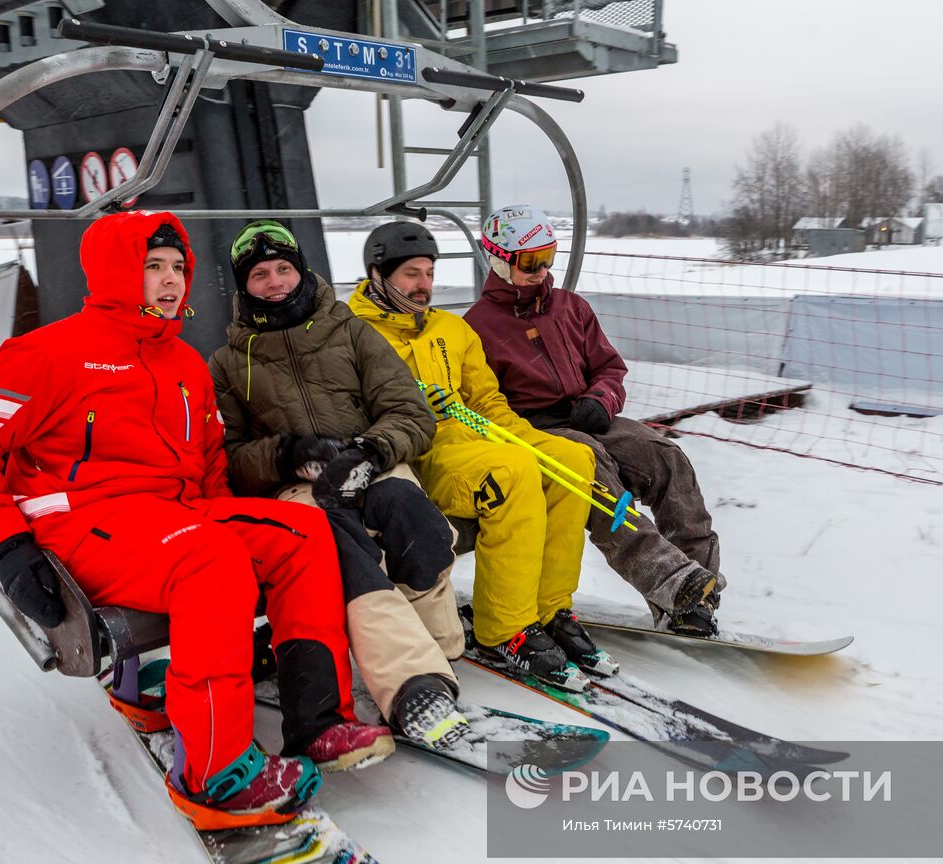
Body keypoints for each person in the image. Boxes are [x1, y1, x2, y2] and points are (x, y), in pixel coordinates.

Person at [0, 211, 392, 832]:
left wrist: (233, 519)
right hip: (81, 523)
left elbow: (206, 466)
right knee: (212, 559)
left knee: (300, 530)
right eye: (153, 266)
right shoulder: (45, 353)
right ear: (118, 272)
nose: (171, 280)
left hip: (171, 516)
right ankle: (215, 771)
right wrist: (8, 545)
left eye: (178, 267)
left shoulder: (183, 364)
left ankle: (318, 721)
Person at [208, 219, 471, 750]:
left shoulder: (351, 331)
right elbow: (229, 460)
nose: (276, 281)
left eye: (284, 268)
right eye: (260, 274)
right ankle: (411, 682)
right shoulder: (230, 363)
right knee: (340, 543)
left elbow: (409, 412)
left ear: (302, 270)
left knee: (410, 513)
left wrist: (370, 449)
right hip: (298, 485)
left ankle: (435, 646)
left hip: (370, 461)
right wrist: (288, 454)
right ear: (244, 286)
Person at [348, 219, 614, 689]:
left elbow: (488, 401)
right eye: (412, 274)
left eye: (429, 272)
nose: (424, 284)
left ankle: (549, 608)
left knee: (572, 459)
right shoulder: (353, 335)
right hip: (419, 456)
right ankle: (504, 629)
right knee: (512, 473)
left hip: (475, 438)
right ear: (379, 274)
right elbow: (348, 411)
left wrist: (521, 436)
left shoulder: (450, 329)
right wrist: (407, 408)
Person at [464, 204, 725, 636]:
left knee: (666, 458)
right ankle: (673, 585)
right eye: (530, 262)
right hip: (538, 429)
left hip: (590, 413)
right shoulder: (478, 328)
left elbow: (609, 367)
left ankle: (699, 588)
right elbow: (482, 403)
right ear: (498, 259)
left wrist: (602, 399)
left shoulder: (570, 307)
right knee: (596, 475)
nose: (542, 270)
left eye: (548, 257)